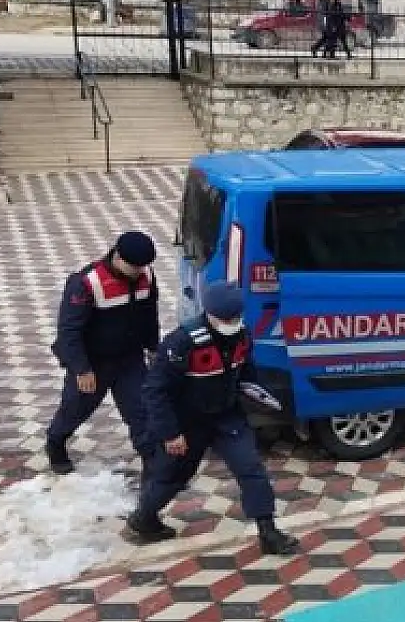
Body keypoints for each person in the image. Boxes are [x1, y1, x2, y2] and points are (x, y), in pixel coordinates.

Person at [126, 282, 299, 555]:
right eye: (225, 319)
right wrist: (170, 433)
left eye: (235, 318)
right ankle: (144, 518)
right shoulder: (181, 342)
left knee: (251, 469)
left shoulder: (242, 336)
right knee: (173, 475)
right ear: (209, 313)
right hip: (187, 422)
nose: (231, 324)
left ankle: (268, 532)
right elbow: (155, 391)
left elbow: (246, 372)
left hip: (227, 417)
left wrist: (260, 398)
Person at [47, 231, 160, 475]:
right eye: (134, 267)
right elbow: (69, 331)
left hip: (129, 359)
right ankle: (56, 442)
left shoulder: (146, 276)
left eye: (142, 267)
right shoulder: (86, 283)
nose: (139, 272)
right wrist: (81, 369)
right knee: (75, 410)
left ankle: (153, 467)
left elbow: (150, 316)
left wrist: (154, 348)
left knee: (142, 412)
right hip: (93, 362)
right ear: (117, 256)